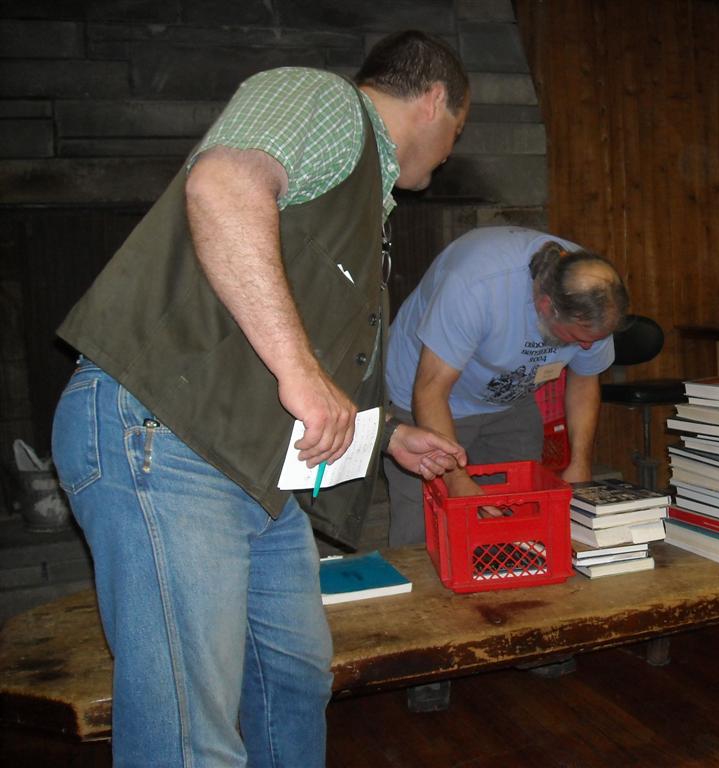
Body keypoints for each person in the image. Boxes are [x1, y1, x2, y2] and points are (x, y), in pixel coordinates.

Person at [49, 31, 470, 767]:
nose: (450, 152)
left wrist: (388, 433)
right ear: (434, 99)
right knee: (190, 735)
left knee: (292, 680)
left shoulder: (363, 204)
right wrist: (301, 373)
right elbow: (224, 186)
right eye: (456, 133)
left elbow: (305, 352)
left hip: (254, 471)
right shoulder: (326, 101)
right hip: (165, 435)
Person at [384, 226, 630, 546]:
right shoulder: (477, 286)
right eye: (576, 339)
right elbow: (430, 390)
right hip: (423, 392)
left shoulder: (594, 295)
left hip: (508, 398)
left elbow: (584, 381)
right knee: (427, 526)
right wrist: (456, 479)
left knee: (519, 518)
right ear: (545, 306)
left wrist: (580, 463)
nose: (586, 349)